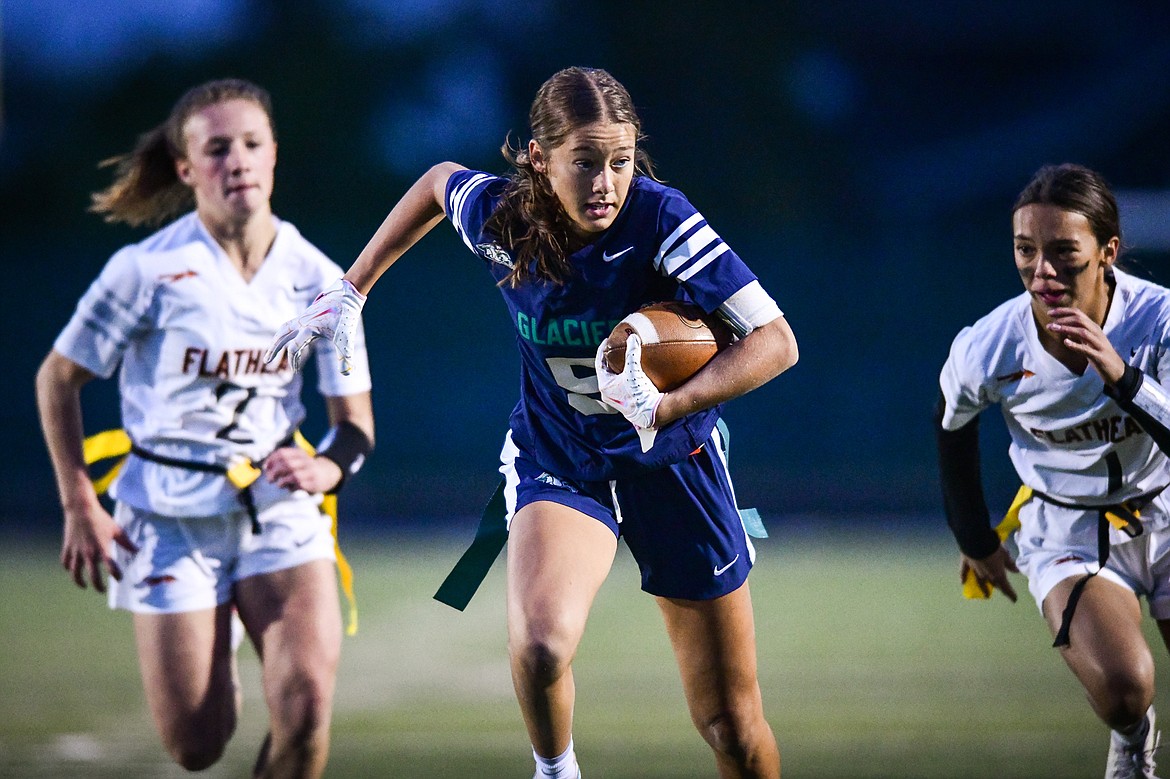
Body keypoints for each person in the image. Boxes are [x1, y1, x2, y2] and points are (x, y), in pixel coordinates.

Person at [268, 66, 797, 778]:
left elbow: (775, 342)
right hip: (563, 454)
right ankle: (555, 771)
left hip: (673, 460)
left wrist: (667, 403)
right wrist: (352, 287)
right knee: (542, 644)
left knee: (730, 724)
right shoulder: (503, 216)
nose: (607, 181)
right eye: (585, 162)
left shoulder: (662, 218)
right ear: (541, 162)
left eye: (621, 160)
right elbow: (435, 181)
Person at [34, 78, 375, 778]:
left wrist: (328, 468)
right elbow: (57, 379)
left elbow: (354, 427)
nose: (238, 161)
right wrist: (78, 502)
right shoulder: (146, 269)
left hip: (279, 511)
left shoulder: (321, 281)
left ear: (274, 154)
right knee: (196, 744)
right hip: (166, 516)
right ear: (187, 167)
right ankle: (213, 656)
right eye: (217, 149)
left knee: (307, 709)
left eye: (251, 144)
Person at [936, 163, 1170, 779]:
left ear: (1107, 252)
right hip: (1066, 527)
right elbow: (951, 422)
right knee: (1124, 689)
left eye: (1063, 251)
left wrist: (1122, 376)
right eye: (1025, 250)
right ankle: (1133, 734)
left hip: (1167, 507)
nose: (1041, 271)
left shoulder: (1159, 322)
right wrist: (974, 537)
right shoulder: (992, 344)